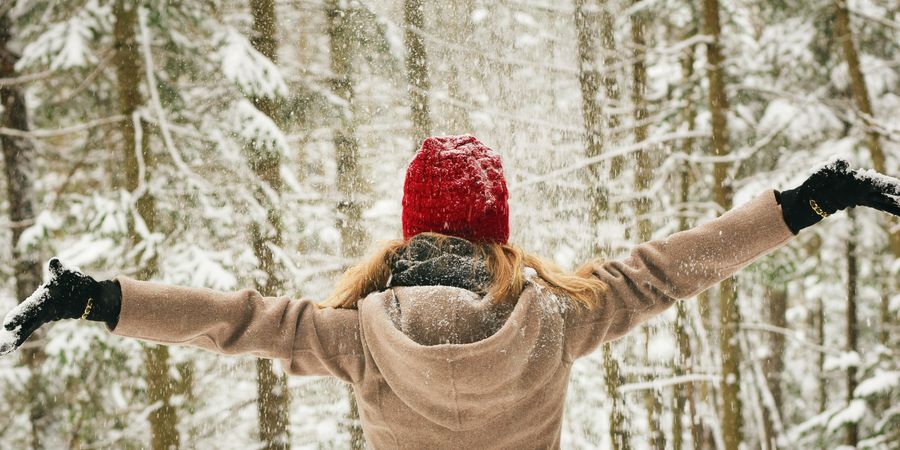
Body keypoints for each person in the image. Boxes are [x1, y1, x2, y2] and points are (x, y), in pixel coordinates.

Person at [2, 135, 899, 449]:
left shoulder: (354, 337)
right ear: (497, 229)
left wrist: (99, 298)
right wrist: (807, 203)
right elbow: (674, 266)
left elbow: (232, 323)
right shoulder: (559, 317)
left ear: (408, 230)